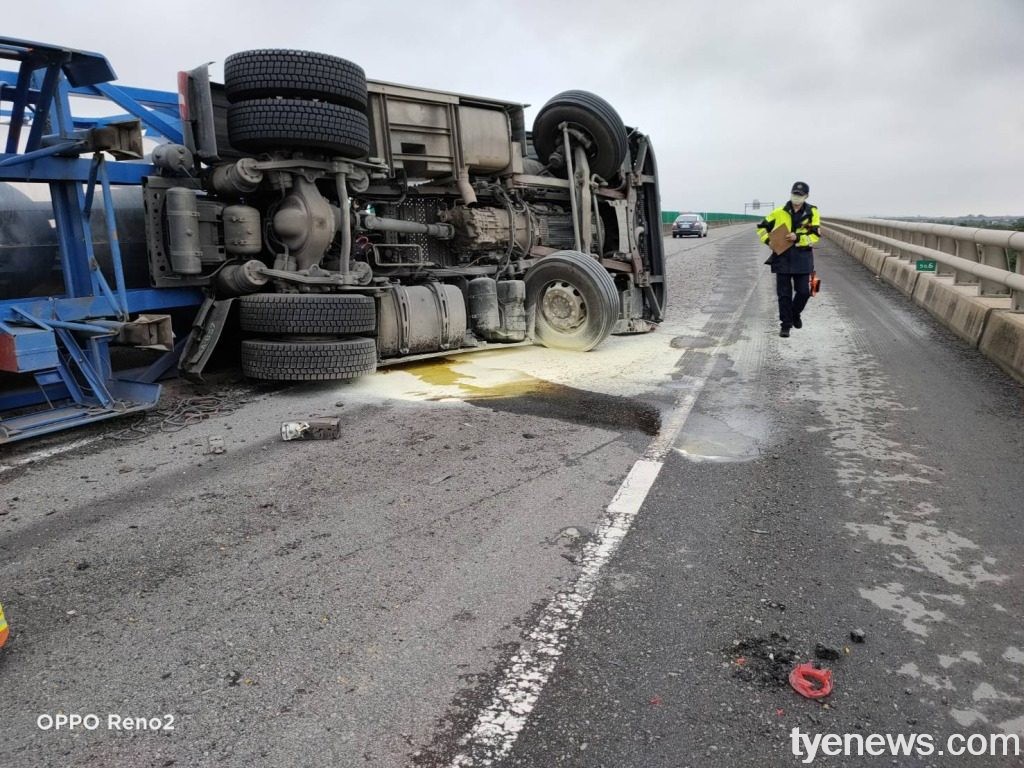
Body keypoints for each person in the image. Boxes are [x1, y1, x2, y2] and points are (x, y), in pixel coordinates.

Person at [757, 182, 820, 337]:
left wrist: (797, 237)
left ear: (806, 196)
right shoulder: (779, 212)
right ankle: (785, 325)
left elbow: (815, 236)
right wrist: (768, 241)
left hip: (803, 258)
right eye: (794, 194)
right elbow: (761, 227)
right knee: (784, 294)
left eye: (800, 195)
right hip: (782, 258)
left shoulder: (812, 212)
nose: (796, 197)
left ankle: (795, 313)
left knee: (805, 292)